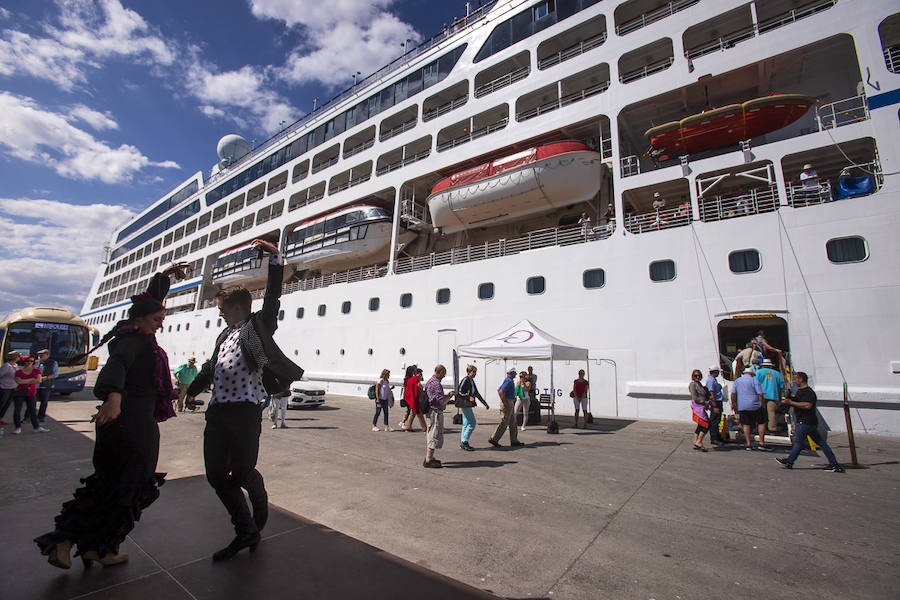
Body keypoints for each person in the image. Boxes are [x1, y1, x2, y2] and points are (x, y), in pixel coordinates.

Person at [34, 263, 182, 569]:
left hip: (117, 424)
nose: (161, 325)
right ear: (140, 320)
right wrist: (113, 395)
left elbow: (147, 306)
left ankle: (72, 541)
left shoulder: (134, 334)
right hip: (134, 423)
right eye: (157, 320)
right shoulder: (134, 341)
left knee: (107, 484)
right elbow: (116, 367)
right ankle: (100, 548)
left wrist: (164, 279)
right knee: (132, 485)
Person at [185, 239, 304, 561]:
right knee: (214, 475)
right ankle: (247, 530)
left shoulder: (257, 326)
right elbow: (211, 367)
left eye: (222, 309)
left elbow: (273, 298)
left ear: (237, 307)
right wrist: (189, 391)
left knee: (239, 473)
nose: (220, 314)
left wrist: (276, 258)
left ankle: (253, 497)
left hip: (245, 411)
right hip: (218, 412)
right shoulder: (223, 335)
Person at [775, 372, 844, 472]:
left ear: (801, 379)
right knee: (821, 443)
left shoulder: (808, 392)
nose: (794, 381)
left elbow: (808, 405)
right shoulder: (801, 391)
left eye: (795, 379)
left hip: (805, 421)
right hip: (807, 421)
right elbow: (798, 400)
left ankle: (790, 461)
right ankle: (834, 463)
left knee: (798, 442)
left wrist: (791, 402)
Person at [730, 366, 769, 451]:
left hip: (743, 405)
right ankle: (762, 443)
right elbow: (761, 394)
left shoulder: (737, 381)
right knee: (761, 423)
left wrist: (733, 403)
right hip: (755, 405)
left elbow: (733, 393)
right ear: (752, 374)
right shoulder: (754, 380)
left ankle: (748, 444)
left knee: (746, 424)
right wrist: (763, 405)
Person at [423, 364, 454, 468]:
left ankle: (430, 457)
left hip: (431, 410)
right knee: (434, 434)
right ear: (440, 372)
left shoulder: (430, 381)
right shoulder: (436, 384)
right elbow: (441, 402)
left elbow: (435, 397)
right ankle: (428, 459)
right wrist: (449, 396)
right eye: (443, 375)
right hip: (435, 412)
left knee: (431, 432)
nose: (443, 377)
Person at [489, 367, 523, 448]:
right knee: (504, 421)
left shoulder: (509, 381)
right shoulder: (508, 381)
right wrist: (504, 403)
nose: (515, 374)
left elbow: (499, 389)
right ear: (510, 373)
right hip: (507, 401)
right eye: (514, 372)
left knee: (513, 422)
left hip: (509, 400)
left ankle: (514, 440)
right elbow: (500, 391)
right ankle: (494, 438)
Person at [456, 364, 488, 451]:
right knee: (472, 423)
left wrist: (484, 403)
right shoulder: (466, 380)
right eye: (473, 372)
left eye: (475, 372)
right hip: (465, 404)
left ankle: (463, 442)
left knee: (466, 424)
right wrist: (468, 397)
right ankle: (464, 441)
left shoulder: (471, 381)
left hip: (468, 404)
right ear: (468, 372)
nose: (474, 374)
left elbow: (476, 393)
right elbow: (459, 391)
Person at [13, 355, 47, 434]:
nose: (29, 363)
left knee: (32, 410)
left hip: (31, 393)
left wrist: (24, 380)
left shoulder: (36, 371)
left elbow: (38, 380)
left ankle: (36, 427)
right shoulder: (19, 372)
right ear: (24, 362)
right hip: (20, 392)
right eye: (27, 361)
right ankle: (17, 427)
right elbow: (19, 381)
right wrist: (31, 379)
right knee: (17, 410)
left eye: (31, 361)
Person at [756, 358, 785, 433]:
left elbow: (754, 383)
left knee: (760, 412)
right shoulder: (777, 373)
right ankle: (772, 428)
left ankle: (760, 427)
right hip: (773, 395)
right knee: (771, 412)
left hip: (761, 395)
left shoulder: (758, 372)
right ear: (771, 366)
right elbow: (782, 386)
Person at [689, 369, 710, 451]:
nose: (698, 377)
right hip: (698, 406)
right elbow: (694, 397)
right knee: (706, 424)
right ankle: (699, 441)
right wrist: (704, 402)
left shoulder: (699, 384)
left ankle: (696, 442)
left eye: (699, 376)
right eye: (696, 376)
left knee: (700, 425)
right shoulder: (693, 384)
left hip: (702, 406)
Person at [35, 349, 58, 422]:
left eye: (42, 355)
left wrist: (46, 377)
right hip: (35, 385)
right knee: (32, 402)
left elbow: (55, 374)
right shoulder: (35, 362)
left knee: (44, 402)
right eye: (39, 355)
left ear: (47, 355)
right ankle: (29, 416)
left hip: (46, 385)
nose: (40, 356)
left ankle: (41, 417)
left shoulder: (53, 363)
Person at [403, 365, 427, 433]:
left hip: (414, 399)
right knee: (419, 414)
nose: (421, 375)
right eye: (421, 374)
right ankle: (424, 428)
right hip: (415, 399)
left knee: (412, 413)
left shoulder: (413, 380)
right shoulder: (414, 380)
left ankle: (408, 427)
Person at [705, 365, 725, 446]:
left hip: (718, 401)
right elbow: (711, 393)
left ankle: (718, 436)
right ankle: (714, 438)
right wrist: (715, 406)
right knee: (714, 421)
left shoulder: (714, 380)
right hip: (715, 402)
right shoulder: (711, 381)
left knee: (717, 420)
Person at [0, 350, 20, 430]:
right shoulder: (6, 366)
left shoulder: (15, 365)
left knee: (7, 404)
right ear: (14, 357)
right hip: (5, 388)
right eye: (18, 356)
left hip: (12, 388)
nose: (19, 358)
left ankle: (1, 418)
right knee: (2, 403)